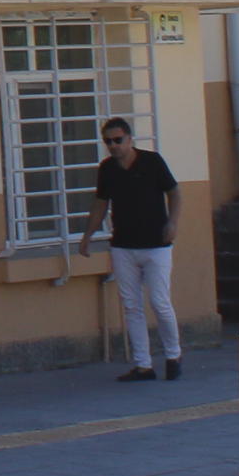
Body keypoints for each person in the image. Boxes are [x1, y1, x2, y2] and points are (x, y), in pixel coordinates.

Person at [75, 117, 182, 383]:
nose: (113, 146)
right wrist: (87, 235)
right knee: (131, 306)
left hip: (156, 246)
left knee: (159, 302)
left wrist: (172, 222)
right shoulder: (107, 169)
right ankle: (143, 365)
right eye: (108, 141)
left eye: (118, 140)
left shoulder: (152, 161)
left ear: (130, 139)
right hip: (123, 246)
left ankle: (173, 355)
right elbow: (101, 204)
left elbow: (175, 192)